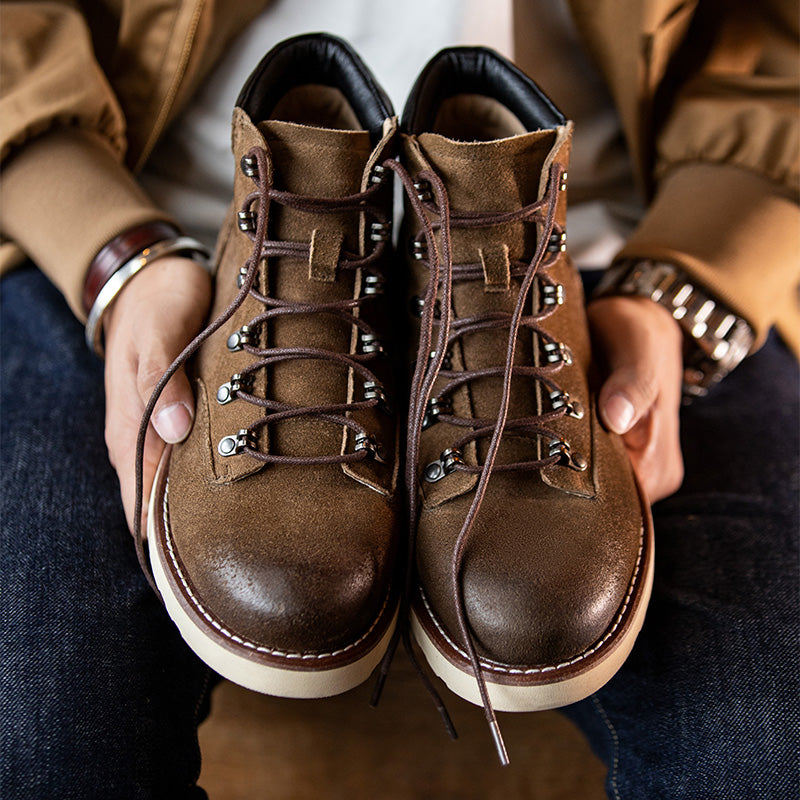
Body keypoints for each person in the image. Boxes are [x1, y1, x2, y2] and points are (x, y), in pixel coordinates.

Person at [1, 1, 797, 797]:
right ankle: (272, 228)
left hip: (612, 248)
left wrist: (687, 279)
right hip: (158, 231)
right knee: (38, 740)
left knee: (766, 747)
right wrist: (109, 248)